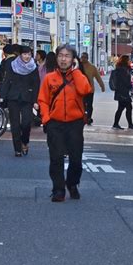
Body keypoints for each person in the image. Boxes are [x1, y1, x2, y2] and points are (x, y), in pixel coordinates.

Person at [38, 45, 91, 202]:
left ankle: (72, 183)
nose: (63, 59)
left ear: (73, 59)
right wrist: (46, 118)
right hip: (55, 123)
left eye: (67, 56)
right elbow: (43, 100)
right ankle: (58, 189)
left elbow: (85, 90)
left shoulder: (78, 76)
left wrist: (75, 71)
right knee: (56, 157)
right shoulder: (49, 78)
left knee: (76, 158)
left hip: (75, 123)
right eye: (61, 55)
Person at [0, 46, 40, 156]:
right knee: (15, 124)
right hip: (13, 97)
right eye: (25, 54)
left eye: (29, 54)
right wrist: (2, 96)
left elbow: (36, 84)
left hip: (27, 98)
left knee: (26, 123)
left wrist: (36, 100)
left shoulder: (33, 67)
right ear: (20, 55)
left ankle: (25, 141)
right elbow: (7, 81)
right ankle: (17, 148)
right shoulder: (13, 65)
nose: (27, 57)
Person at [110, 55, 133, 130]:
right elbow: (125, 81)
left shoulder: (120, 69)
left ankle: (117, 124)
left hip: (120, 92)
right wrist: (131, 87)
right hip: (123, 92)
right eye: (128, 60)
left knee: (122, 108)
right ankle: (128, 124)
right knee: (127, 107)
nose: (129, 61)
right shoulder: (123, 70)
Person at [79, 52, 105, 125]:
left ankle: (88, 118)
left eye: (84, 57)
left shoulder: (92, 67)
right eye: (82, 57)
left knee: (89, 105)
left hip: (90, 90)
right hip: (80, 90)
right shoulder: (78, 67)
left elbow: (98, 77)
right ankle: (83, 117)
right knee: (82, 104)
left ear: (87, 58)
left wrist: (102, 86)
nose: (83, 59)